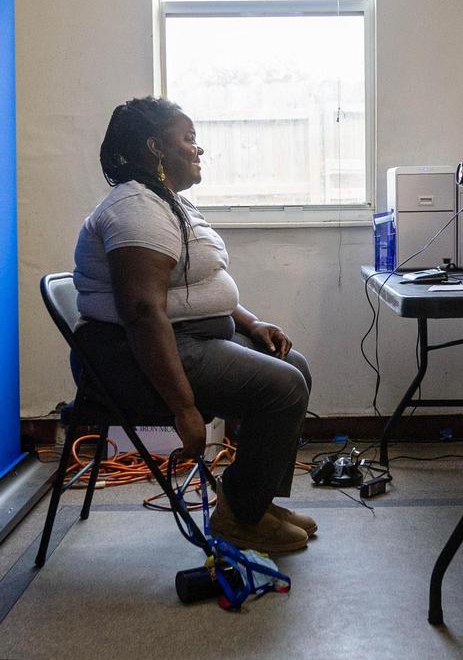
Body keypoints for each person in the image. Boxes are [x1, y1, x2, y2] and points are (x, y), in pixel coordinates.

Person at [73, 96, 315, 554]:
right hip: (133, 357)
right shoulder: (136, 209)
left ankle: (253, 502)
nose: (198, 150)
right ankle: (240, 518)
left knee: (294, 365)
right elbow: (142, 312)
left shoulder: (167, 204)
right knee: (282, 387)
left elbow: (199, 284)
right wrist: (184, 409)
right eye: (189, 139)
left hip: (187, 337)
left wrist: (250, 321)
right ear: (155, 148)